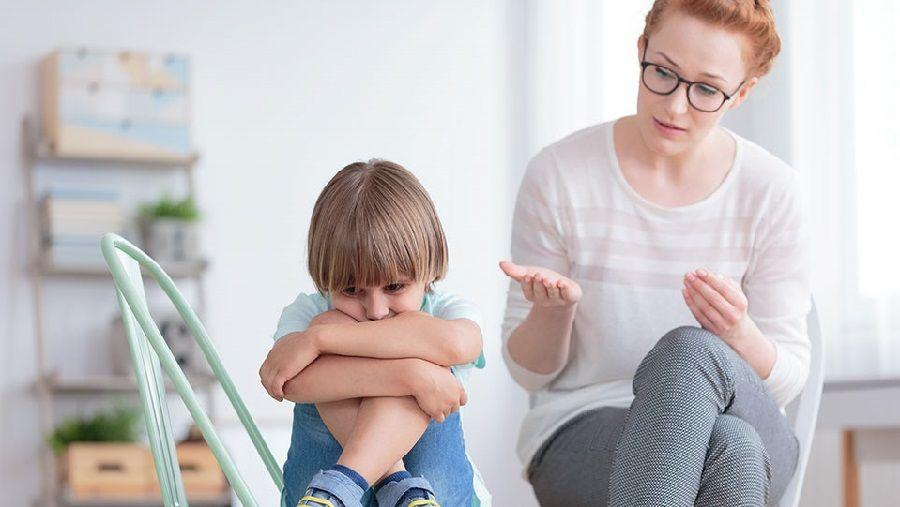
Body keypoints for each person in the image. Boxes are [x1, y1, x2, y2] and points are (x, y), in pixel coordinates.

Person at [500, 1, 809, 505]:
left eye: (706, 90)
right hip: (584, 431)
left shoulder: (772, 191)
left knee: (692, 353)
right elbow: (529, 374)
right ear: (641, 50)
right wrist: (553, 313)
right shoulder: (560, 175)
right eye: (663, 73)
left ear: (741, 93)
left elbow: (788, 380)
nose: (675, 107)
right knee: (731, 449)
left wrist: (737, 334)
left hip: (750, 419)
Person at [261, 159, 490, 507]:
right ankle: (396, 486)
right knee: (330, 324)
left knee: (417, 341)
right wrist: (413, 376)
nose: (376, 311)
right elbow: (287, 382)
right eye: (352, 290)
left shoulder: (446, 311)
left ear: (429, 268)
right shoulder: (307, 312)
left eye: (394, 287)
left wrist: (320, 341)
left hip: (443, 498)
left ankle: (339, 485)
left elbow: (460, 345)